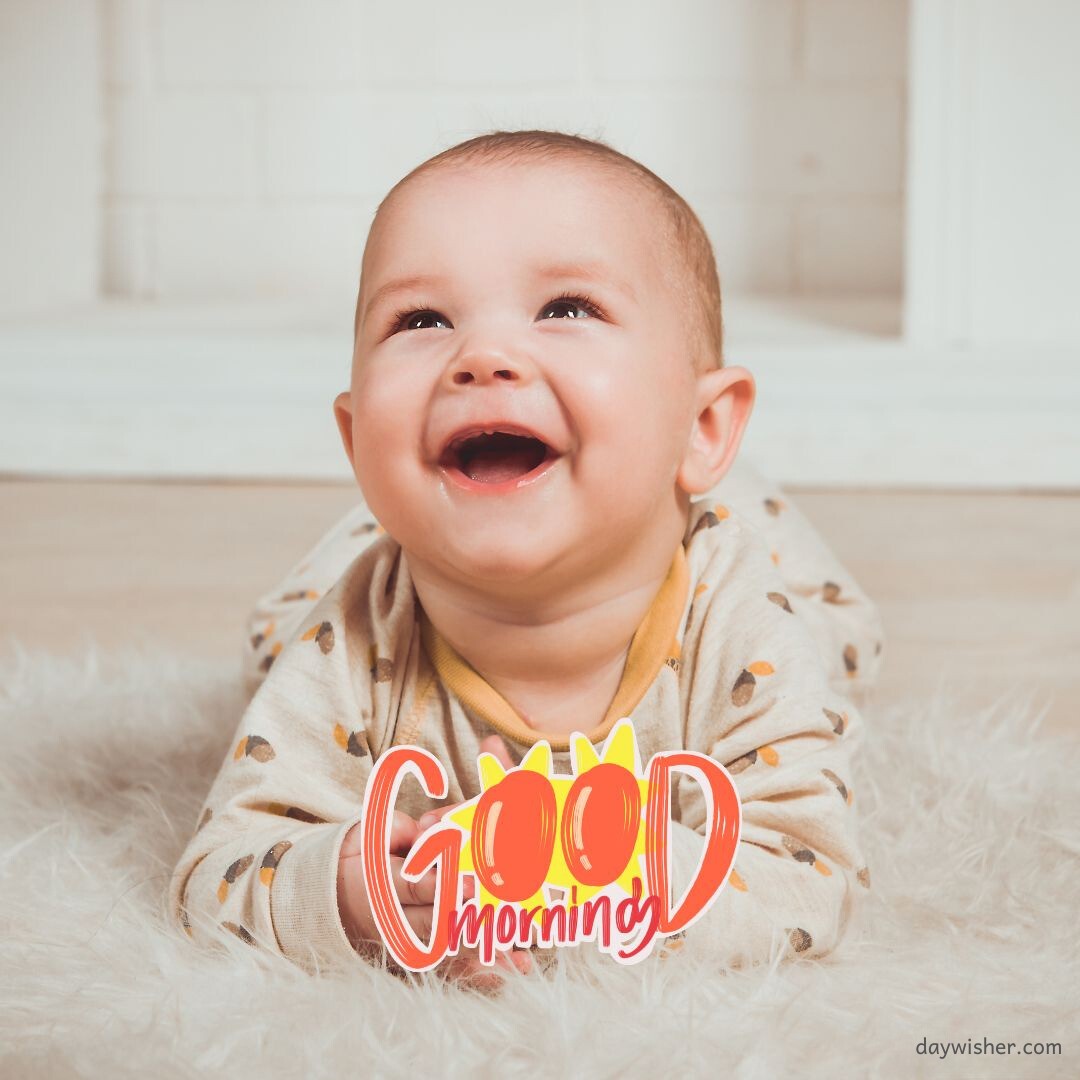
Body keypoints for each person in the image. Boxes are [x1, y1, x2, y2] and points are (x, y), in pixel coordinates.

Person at [166, 130, 885, 987]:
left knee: (841, 643)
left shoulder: (744, 623)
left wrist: (603, 885)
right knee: (275, 640)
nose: (483, 357)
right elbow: (220, 874)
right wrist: (350, 895)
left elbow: (808, 881)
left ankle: (713, 479)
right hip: (399, 537)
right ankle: (399, 509)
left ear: (703, 426)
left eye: (566, 309)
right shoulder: (354, 639)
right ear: (358, 443)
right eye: (421, 320)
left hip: (735, 539)